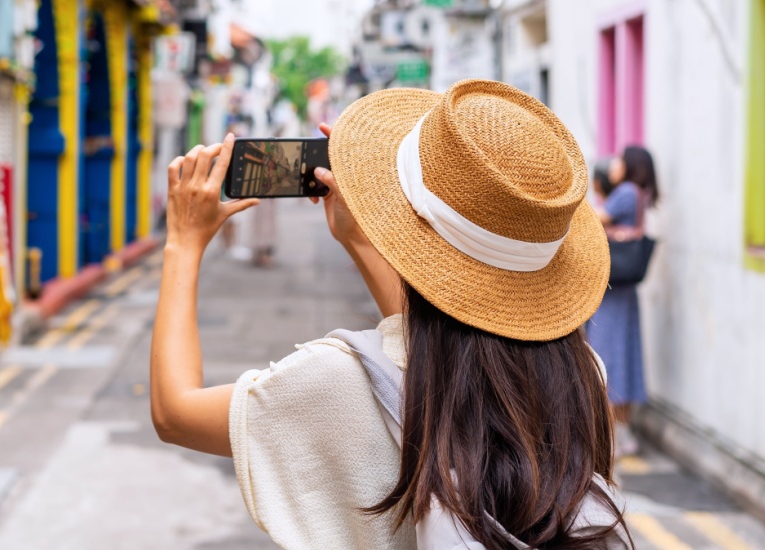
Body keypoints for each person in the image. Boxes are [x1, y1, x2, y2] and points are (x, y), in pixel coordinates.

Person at [150, 80, 631, 549]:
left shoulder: (337, 383)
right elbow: (426, 347)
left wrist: (183, 243)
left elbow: (175, 412)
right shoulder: (584, 377)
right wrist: (357, 239)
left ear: (406, 222)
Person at [590, 145, 659, 458]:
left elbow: (593, 218)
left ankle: (614, 437)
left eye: (619, 159)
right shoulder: (639, 194)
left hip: (612, 288)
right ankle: (624, 432)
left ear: (630, 165)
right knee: (624, 353)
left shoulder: (625, 193)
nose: (613, 163)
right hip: (624, 289)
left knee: (607, 355)